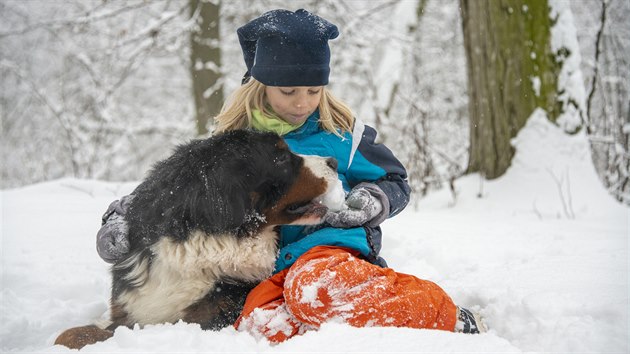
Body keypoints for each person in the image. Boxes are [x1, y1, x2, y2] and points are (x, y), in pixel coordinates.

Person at [96, 8, 486, 342]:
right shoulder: (237, 142)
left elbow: (395, 179)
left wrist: (373, 201)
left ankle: (445, 315)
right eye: (289, 91)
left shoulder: (341, 135)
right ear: (261, 86)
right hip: (274, 267)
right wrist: (123, 215)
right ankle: (361, 333)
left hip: (328, 251)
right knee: (258, 326)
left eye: (314, 91)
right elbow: (183, 186)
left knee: (313, 291)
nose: (302, 103)